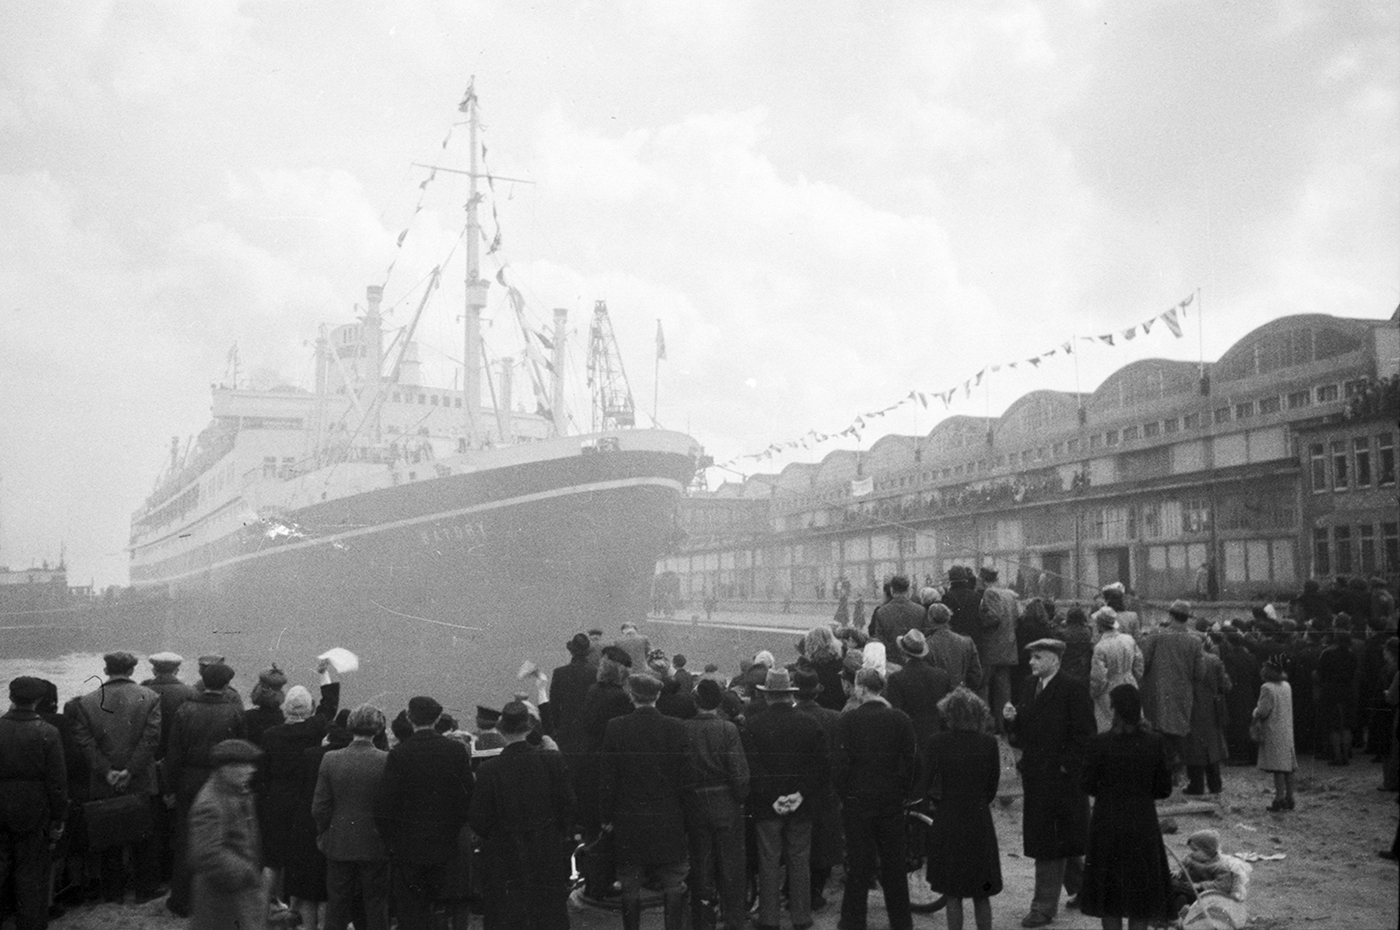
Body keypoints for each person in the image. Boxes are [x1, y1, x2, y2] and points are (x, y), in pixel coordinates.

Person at [1003, 638, 1095, 928]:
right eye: (1031, 657)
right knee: (1061, 836)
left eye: (1038, 657)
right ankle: (1085, 890)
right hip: (1036, 776)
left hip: (1061, 780)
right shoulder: (1030, 685)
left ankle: (1042, 908)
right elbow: (1024, 730)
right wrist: (1012, 720)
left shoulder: (1073, 688)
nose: (1031, 662)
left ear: (1054, 659)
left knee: (1049, 842)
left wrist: (1066, 766)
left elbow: (1086, 735)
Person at [469, 701, 574, 930]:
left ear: (501, 730)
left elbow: (478, 821)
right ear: (529, 728)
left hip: (504, 856)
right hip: (546, 850)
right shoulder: (552, 761)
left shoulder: (488, 770)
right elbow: (568, 807)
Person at [68, 650, 164, 903]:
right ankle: (145, 889)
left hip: (104, 779)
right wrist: (130, 770)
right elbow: (151, 739)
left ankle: (113, 893)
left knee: (109, 836)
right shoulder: (150, 697)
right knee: (144, 836)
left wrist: (107, 770)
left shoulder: (87, 701)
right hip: (140, 777)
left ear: (106, 670)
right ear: (131, 670)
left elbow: (84, 741)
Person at [600, 672, 693, 930]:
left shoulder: (615, 727)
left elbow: (608, 778)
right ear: (658, 695)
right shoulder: (676, 727)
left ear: (632, 696)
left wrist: (606, 816)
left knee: (630, 883)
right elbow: (687, 778)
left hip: (629, 816)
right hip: (668, 816)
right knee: (673, 881)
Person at [374, 695, 474, 930]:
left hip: (408, 848)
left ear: (410, 718)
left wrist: (393, 843)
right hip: (445, 846)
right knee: (440, 909)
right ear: (437, 718)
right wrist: (451, 833)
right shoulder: (456, 751)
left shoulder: (400, 754)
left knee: (411, 912)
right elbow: (466, 799)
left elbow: (384, 806)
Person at [1078, 685, 1173, 930]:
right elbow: (1164, 789)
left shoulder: (1099, 743)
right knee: (1140, 896)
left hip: (1107, 824)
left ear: (1115, 710)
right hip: (1142, 823)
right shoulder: (1154, 742)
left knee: (1110, 897)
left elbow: (1087, 784)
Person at [742, 668, 828, 930]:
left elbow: (753, 768)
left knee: (768, 861)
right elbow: (819, 767)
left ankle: (769, 918)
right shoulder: (810, 724)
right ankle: (801, 917)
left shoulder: (753, 725)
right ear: (790, 694)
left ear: (767, 695)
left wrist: (774, 797)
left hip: (767, 806)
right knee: (799, 860)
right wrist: (799, 794)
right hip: (801, 805)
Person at [834, 667, 918, 930]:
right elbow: (912, 762)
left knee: (859, 865)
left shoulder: (848, 721)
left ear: (860, 688)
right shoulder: (900, 719)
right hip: (890, 800)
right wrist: (903, 791)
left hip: (857, 800)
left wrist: (845, 793)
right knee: (894, 865)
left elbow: (839, 764)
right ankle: (901, 922)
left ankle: (853, 921)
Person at [258, 662, 340, 927]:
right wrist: (323, 674)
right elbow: (330, 703)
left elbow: (263, 773)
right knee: (302, 859)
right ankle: (295, 909)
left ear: (286, 708)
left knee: (272, 859)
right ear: (309, 709)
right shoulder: (316, 729)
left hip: (277, 800)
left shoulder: (270, 735)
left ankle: (263, 909)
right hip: (304, 801)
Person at [164, 662, 246, 918]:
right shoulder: (234, 712)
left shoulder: (185, 710)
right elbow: (240, 750)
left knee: (185, 837)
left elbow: (173, 753)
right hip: (220, 780)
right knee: (222, 839)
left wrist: (170, 787)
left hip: (188, 779)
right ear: (226, 685)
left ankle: (180, 899)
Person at [920, 687, 1002, 930]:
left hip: (949, 817)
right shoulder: (989, 743)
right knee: (982, 891)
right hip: (979, 819)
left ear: (949, 715)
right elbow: (992, 787)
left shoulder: (937, 742)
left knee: (953, 892)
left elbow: (926, 781)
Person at [313, 703, 390, 930]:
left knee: (337, 905)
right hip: (375, 843)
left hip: (339, 840)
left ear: (350, 726)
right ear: (378, 728)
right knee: (376, 905)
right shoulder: (387, 760)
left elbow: (320, 807)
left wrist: (324, 834)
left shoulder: (330, 759)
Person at [0, 676, 67, 930]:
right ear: (38, 700)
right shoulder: (48, 732)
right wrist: (59, 818)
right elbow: (57, 781)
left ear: (10, 698)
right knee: (32, 871)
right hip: (34, 807)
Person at [683, 678, 750, 930]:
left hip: (696, 805)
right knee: (731, 869)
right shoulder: (728, 729)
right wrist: (740, 798)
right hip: (726, 805)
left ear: (696, 702)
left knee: (701, 868)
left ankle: (703, 922)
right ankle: (734, 921)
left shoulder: (685, 728)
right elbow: (739, 772)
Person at [187, 739, 265, 930]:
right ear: (225, 768)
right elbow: (207, 854)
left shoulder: (235, 791)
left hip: (235, 894)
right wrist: (246, 872)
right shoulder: (210, 804)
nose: (251, 770)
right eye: (244, 765)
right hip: (222, 899)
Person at [792, 667, 843, 913]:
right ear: (816, 692)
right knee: (824, 843)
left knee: (797, 845)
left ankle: (795, 892)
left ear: (794, 693)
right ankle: (815, 891)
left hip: (797, 790)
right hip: (827, 790)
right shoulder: (835, 718)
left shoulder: (792, 717)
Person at [1139, 600, 1204, 780]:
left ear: (1170, 615)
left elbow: (1144, 662)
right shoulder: (1195, 641)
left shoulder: (1156, 634)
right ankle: (1178, 770)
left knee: (1158, 728)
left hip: (1157, 691)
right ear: (1187, 618)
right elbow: (1200, 673)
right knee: (1179, 730)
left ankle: (1161, 771)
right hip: (1183, 693)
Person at [887, 629, 953, 753]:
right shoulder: (942, 676)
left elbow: (895, 717)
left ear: (902, 651)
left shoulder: (896, 679)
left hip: (910, 742)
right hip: (937, 738)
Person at [1184, 639, 1232, 796]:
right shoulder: (1214, 660)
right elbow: (1226, 685)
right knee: (1212, 744)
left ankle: (1196, 784)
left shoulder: (1186, 661)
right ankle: (1215, 784)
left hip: (1192, 707)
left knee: (1194, 745)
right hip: (1212, 707)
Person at [1252, 656, 1297, 811]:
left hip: (1273, 729)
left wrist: (1255, 712)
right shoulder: (1286, 685)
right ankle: (1290, 797)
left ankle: (1279, 798)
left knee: (1278, 767)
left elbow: (1263, 711)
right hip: (1286, 728)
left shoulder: (1267, 688)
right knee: (1288, 766)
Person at [976, 566, 1021, 721]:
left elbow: (994, 616)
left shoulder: (990, 593)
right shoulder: (1009, 595)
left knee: (983, 686)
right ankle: (1004, 723)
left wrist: (980, 622)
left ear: (982, 579)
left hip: (991, 647)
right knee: (1004, 689)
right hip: (1008, 646)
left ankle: (985, 722)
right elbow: (1016, 618)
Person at [1089, 608, 1144, 733]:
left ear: (1100, 625)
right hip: (1130, 683)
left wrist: (1094, 693)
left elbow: (1098, 677)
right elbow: (1139, 665)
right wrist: (1133, 679)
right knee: (1133, 722)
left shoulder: (1101, 647)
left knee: (1110, 725)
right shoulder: (1129, 639)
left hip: (1109, 688)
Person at [1314, 626, 1360, 766]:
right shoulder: (1352, 655)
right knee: (1346, 725)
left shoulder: (1327, 654)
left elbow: (1319, 673)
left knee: (1333, 726)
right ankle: (1346, 755)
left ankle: (1338, 756)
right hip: (1347, 690)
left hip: (1330, 691)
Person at [548, 632, 598, 752]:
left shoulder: (559, 673)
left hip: (566, 726)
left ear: (571, 651)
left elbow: (554, 705)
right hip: (589, 729)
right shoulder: (595, 673)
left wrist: (556, 727)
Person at [926, 603, 983, 692]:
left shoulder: (927, 645)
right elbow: (976, 674)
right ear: (948, 617)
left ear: (930, 619)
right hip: (961, 692)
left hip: (938, 694)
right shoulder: (967, 642)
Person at [868, 574, 928, 656]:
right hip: (915, 658)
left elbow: (880, 640)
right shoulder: (921, 610)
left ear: (892, 590)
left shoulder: (881, 612)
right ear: (908, 590)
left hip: (891, 659)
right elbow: (925, 637)